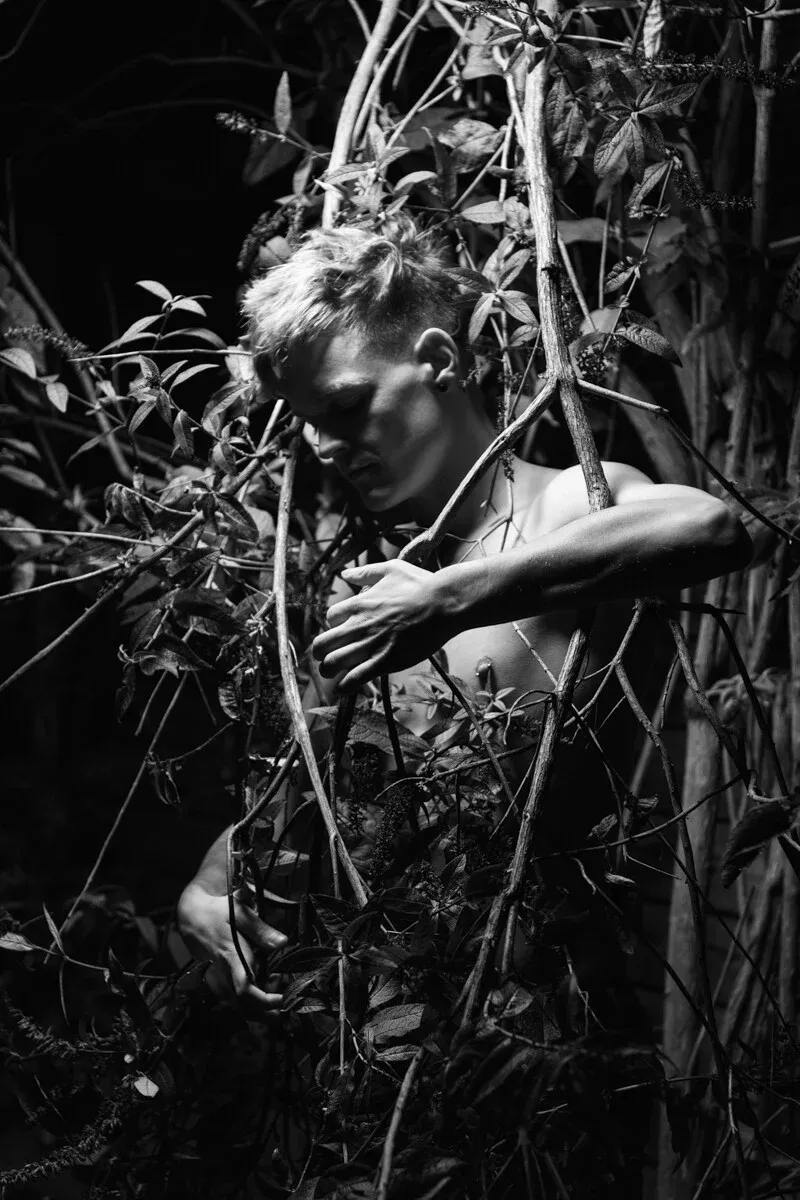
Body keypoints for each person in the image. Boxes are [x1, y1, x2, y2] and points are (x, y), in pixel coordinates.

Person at [176, 219, 753, 1022]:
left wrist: (450, 597)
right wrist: (210, 883)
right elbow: (311, 785)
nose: (326, 445)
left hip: (543, 1040)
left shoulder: (562, 507)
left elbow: (710, 529)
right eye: (308, 421)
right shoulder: (372, 579)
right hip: (380, 1031)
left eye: (344, 404)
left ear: (441, 363)